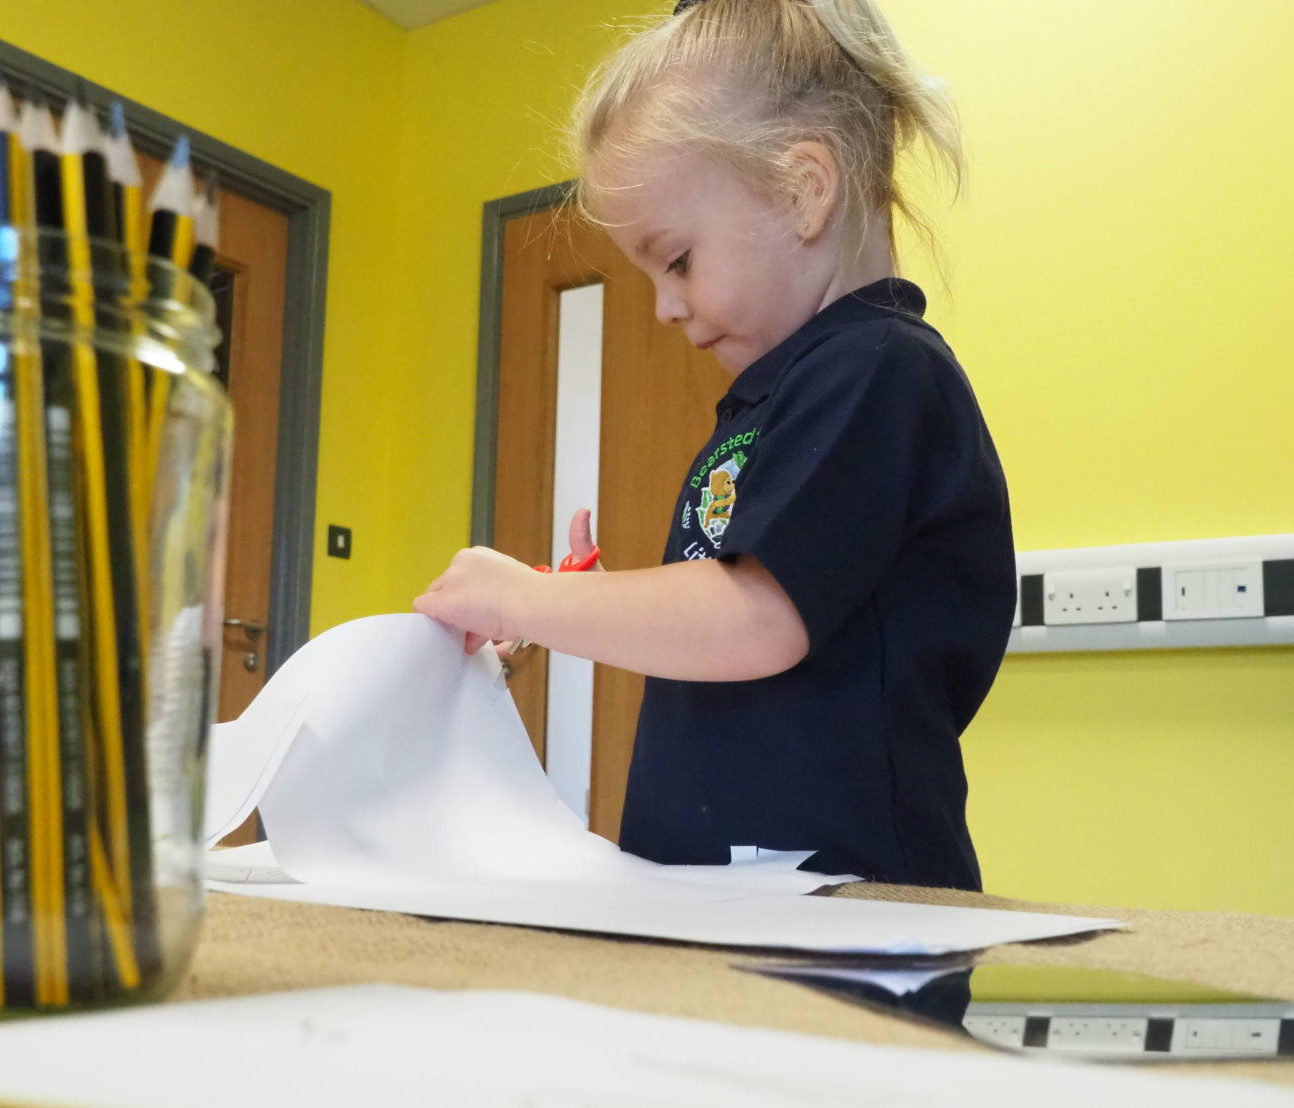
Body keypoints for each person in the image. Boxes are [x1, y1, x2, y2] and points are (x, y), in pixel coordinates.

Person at [414, 0, 1015, 890]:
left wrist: (527, 599)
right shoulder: (788, 390)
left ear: (806, 189)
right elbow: (729, 608)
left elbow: (755, 617)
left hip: (849, 904)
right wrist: (575, 608)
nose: (664, 305)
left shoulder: (879, 370)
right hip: (739, 891)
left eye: (679, 260)